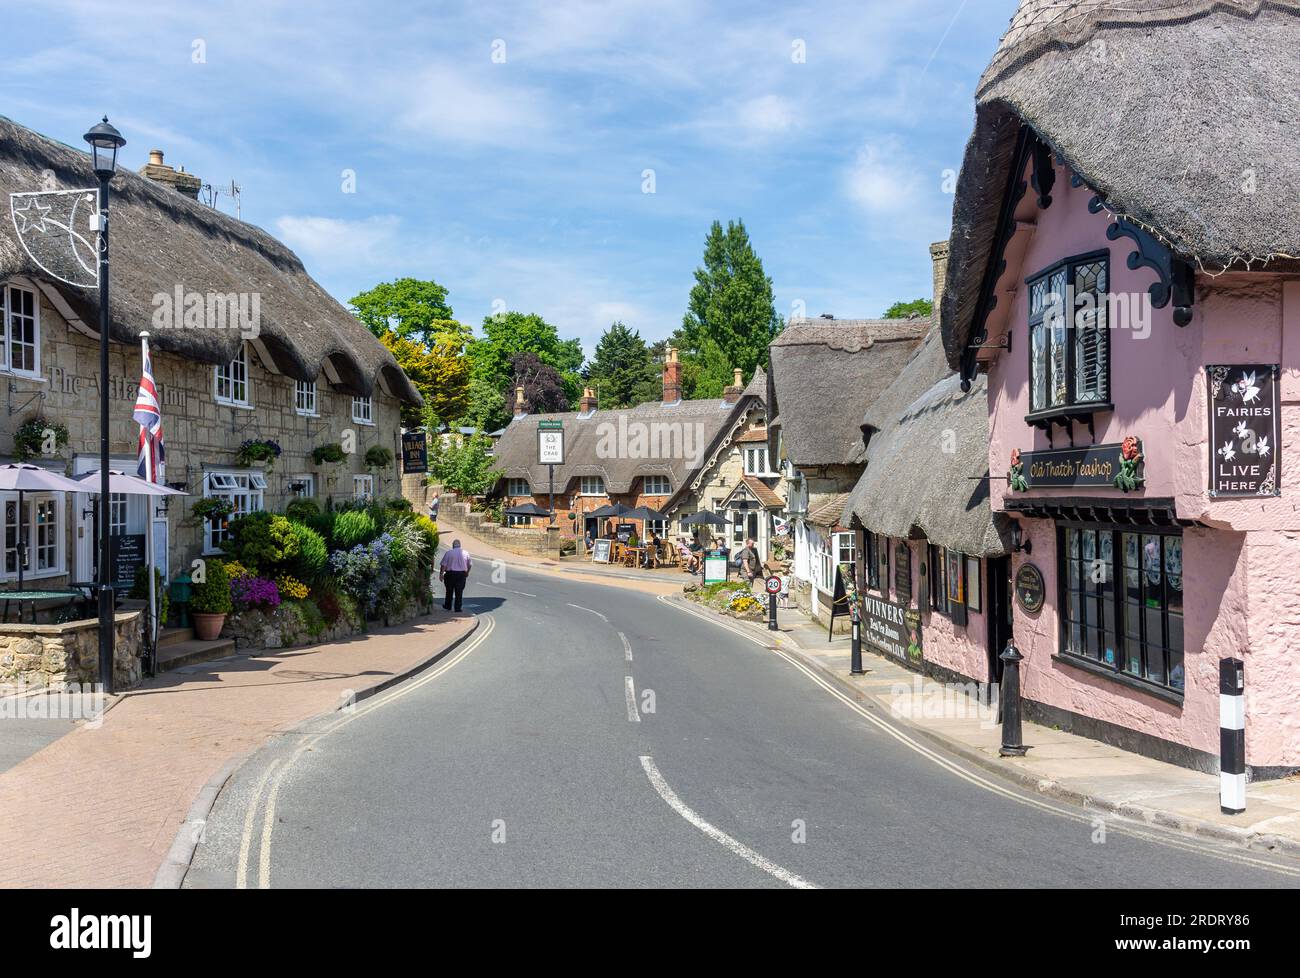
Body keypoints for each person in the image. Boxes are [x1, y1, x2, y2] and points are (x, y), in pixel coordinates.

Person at [439, 539, 472, 612]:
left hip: (450, 574)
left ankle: (448, 606)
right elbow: (469, 565)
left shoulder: (449, 553)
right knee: (459, 592)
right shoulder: (466, 553)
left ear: (453, 546)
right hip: (461, 574)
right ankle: (457, 608)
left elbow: (443, 565)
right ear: (460, 545)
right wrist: (467, 572)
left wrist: (441, 574)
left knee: (449, 590)